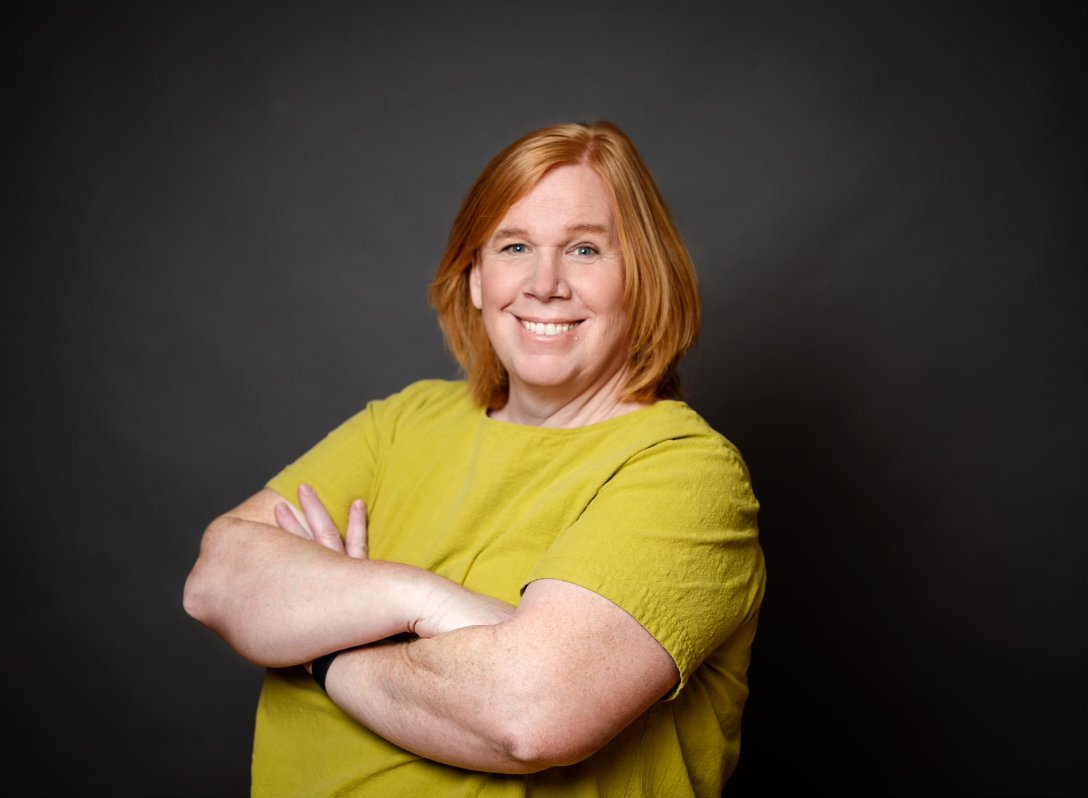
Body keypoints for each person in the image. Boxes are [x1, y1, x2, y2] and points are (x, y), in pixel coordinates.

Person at [183, 120, 765, 798]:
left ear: (642, 279)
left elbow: (528, 714)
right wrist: (418, 599)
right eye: (515, 246)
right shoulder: (403, 422)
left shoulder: (686, 473)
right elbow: (217, 580)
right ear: (478, 278)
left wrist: (325, 643)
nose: (545, 283)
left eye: (584, 249)